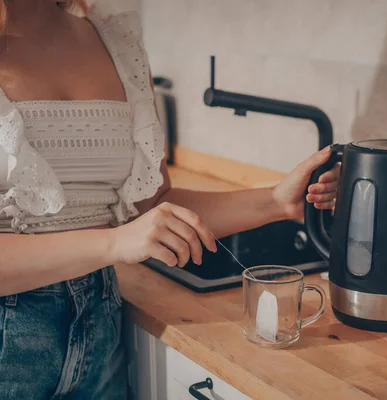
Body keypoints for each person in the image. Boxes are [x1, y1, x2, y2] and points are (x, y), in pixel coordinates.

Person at [0, 0, 339, 398]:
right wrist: (115, 241)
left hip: (100, 325)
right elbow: (125, 236)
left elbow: (154, 202)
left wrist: (277, 202)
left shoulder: (113, 39)